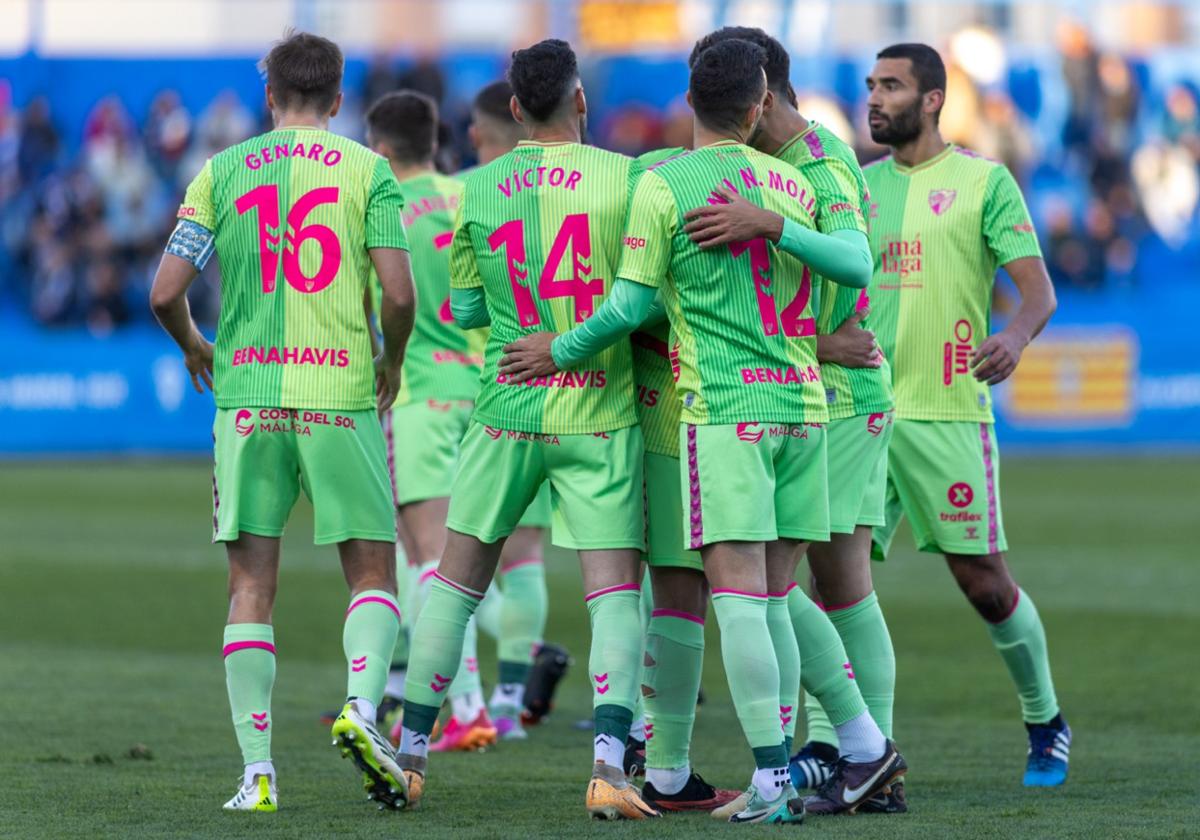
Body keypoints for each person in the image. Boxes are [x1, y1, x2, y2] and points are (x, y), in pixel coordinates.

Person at [503, 38, 904, 823]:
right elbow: (855, 263)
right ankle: (858, 741)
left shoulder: (663, 184)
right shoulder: (791, 181)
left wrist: (560, 347)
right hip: (803, 406)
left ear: (687, 102)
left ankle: (771, 779)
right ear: (758, 107)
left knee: (741, 598)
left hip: (723, 411)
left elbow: (627, 307)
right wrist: (774, 229)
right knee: (782, 592)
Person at [148, 31, 416, 812]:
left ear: (271, 98)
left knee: (250, 586)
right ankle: (363, 710)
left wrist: (198, 344)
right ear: (338, 101)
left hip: (249, 402)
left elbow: (165, 292)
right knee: (372, 574)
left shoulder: (221, 172)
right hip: (339, 398)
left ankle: (257, 773)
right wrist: (390, 359)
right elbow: (399, 295)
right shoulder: (371, 171)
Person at [394, 39, 657, 820]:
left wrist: (517, 311)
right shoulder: (629, 177)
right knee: (613, 592)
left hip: (505, 408)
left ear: (513, 111)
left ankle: (408, 754)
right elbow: (640, 299)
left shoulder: (476, 189)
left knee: (456, 581)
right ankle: (610, 763)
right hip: (598, 407)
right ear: (581, 102)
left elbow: (468, 310)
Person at [676, 26, 902, 812]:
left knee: (830, 586)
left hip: (839, 396)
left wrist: (773, 226)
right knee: (794, 586)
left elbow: (854, 263)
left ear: (762, 94)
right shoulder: (764, 164)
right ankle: (857, 750)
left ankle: (864, 752)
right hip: (804, 386)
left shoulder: (821, 162)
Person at [861, 43, 1068, 786]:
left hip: (947, 413)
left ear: (933, 98)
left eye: (891, 86)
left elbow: (1037, 290)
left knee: (983, 581)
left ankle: (1045, 718)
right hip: (863, 414)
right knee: (835, 582)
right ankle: (850, 749)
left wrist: (1013, 335)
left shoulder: (984, 183)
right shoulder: (856, 188)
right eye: (870, 86)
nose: (875, 98)